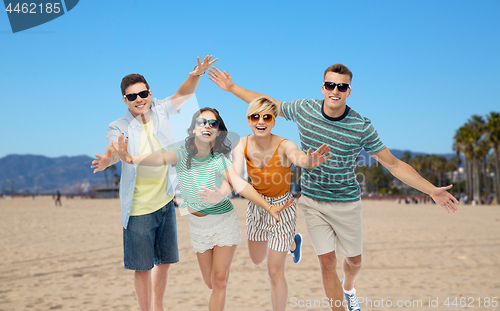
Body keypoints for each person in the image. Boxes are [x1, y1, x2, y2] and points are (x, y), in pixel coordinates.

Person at [207, 64, 459, 311]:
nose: (335, 90)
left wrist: (430, 190)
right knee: (327, 262)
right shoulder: (305, 109)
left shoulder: (361, 127)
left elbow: (393, 165)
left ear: (349, 91)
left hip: (347, 203)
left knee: (355, 262)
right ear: (323, 87)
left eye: (341, 86)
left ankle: (349, 288)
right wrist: (231, 88)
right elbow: (268, 103)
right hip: (313, 201)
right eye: (330, 85)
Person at [107, 107, 294, 311]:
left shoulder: (220, 160)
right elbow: (158, 158)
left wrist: (267, 207)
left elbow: (239, 184)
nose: (207, 126)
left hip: (224, 222)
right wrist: (132, 159)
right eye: (202, 122)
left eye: (213, 124)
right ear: (194, 129)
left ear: (217, 131)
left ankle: (286, 241)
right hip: (198, 226)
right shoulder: (180, 154)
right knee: (210, 282)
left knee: (220, 279)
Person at [90, 56, 217, 311]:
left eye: (143, 93)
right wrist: (108, 158)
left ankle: (158, 307)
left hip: (165, 201)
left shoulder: (160, 109)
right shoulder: (118, 125)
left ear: (150, 92)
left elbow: (182, 94)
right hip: (138, 208)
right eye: (132, 96)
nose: (139, 99)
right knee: (142, 267)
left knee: (165, 262)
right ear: (124, 100)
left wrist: (196, 75)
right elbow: (115, 147)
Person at [199, 97, 331, 311]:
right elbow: (234, 177)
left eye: (267, 116)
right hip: (256, 205)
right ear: (249, 120)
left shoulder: (285, 145)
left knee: (274, 271)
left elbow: (298, 157)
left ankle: (288, 240)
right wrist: (221, 193)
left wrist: (309, 162)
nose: (261, 121)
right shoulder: (242, 144)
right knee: (256, 258)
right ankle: (292, 242)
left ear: (274, 121)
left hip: (283, 207)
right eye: (255, 116)